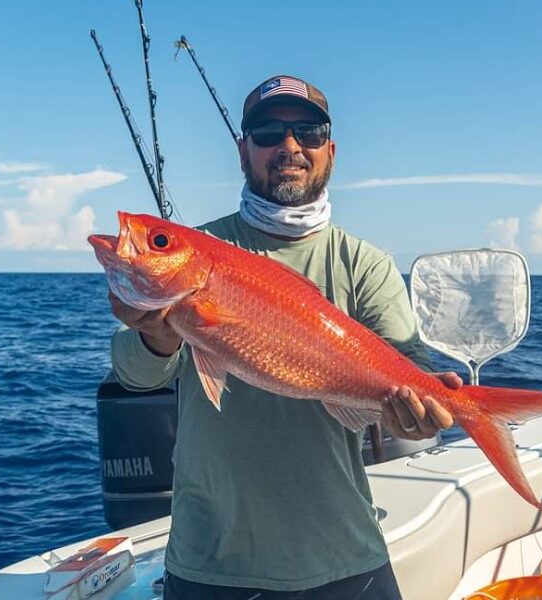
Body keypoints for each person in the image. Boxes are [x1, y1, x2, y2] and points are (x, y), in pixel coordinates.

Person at [108, 75, 462, 599]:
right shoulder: (203, 247)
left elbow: (407, 370)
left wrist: (421, 405)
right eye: (268, 131)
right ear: (243, 149)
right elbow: (133, 376)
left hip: (345, 552)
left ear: (331, 150)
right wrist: (159, 337)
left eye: (309, 132)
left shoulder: (364, 264)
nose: (289, 146)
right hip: (211, 559)